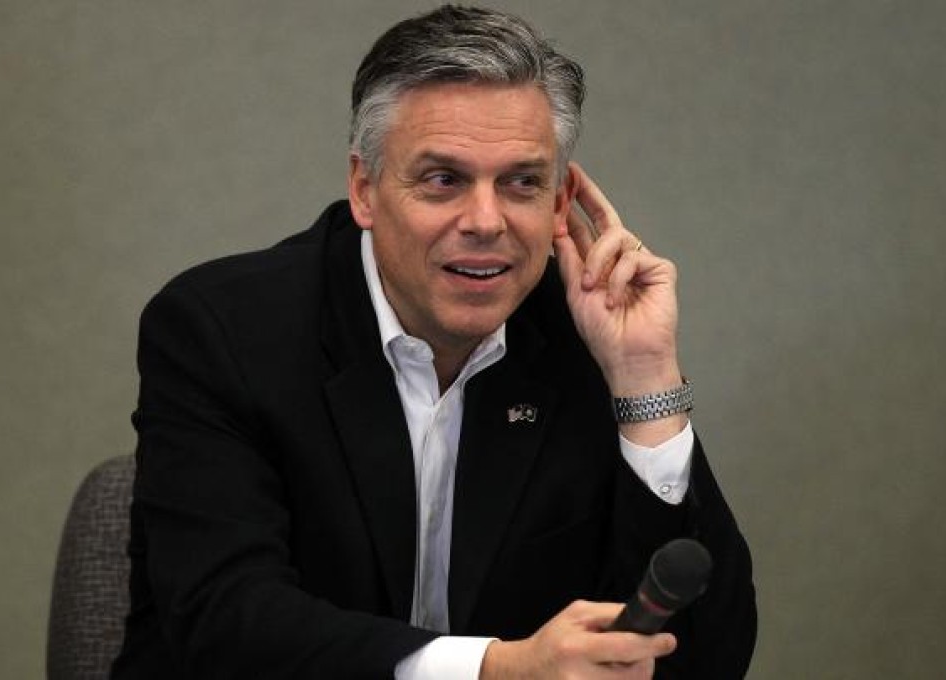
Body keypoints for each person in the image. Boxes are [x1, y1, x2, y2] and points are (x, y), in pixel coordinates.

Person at [111, 5, 756, 679]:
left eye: (521, 183)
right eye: (444, 180)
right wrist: (494, 669)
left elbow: (710, 655)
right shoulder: (223, 329)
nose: (485, 221)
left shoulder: (586, 332)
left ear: (562, 201)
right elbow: (227, 624)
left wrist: (646, 382)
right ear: (365, 189)